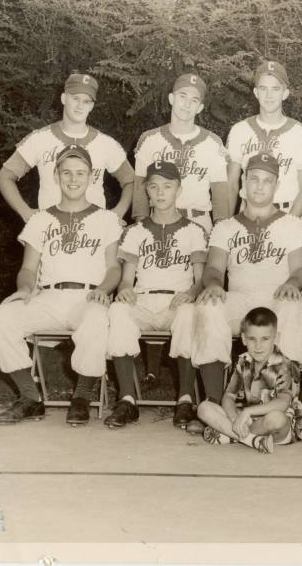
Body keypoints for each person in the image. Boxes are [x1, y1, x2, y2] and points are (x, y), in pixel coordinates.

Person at [0, 145, 122, 425]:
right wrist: (24, 289)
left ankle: (82, 397)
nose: (73, 179)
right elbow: (28, 268)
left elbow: (114, 268)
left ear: (91, 177)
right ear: (56, 176)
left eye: (80, 173)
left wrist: (104, 290)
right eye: (66, 172)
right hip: (48, 297)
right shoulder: (40, 219)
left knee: (96, 319)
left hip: (88, 296)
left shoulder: (106, 219)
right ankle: (30, 398)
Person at [190, 153, 302, 433]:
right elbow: (214, 270)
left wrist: (292, 283)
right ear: (243, 182)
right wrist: (215, 284)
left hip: (276, 297)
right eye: (253, 179)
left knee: (292, 308)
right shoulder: (226, 226)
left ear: (276, 185)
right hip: (240, 297)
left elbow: (301, 270)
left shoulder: (291, 224)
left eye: (267, 181)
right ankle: (214, 400)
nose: (259, 186)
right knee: (208, 307)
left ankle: (287, 402)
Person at [103, 161, 208, 430]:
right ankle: (127, 399)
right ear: (146, 191)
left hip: (177, 300)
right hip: (144, 299)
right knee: (117, 310)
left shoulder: (194, 230)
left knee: (188, 312)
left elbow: (201, 280)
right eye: (154, 187)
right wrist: (125, 289)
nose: (160, 193)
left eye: (167, 186)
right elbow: (127, 279)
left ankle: (185, 399)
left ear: (178, 190)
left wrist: (191, 293)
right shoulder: (135, 231)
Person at [0, 72, 134, 224]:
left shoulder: (105, 143)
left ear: (92, 106)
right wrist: (25, 211)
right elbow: (5, 176)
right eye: (75, 98)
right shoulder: (40, 138)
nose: (80, 106)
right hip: (51, 230)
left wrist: (118, 211)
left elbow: (131, 180)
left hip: (93, 232)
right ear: (63, 98)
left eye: (86, 101)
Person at [196, 307, 302, 454]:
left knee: (275, 418)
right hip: (250, 421)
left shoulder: (284, 365)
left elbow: (282, 403)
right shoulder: (244, 362)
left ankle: (228, 434)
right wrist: (235, 417)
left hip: (280, 425)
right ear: (243, 338)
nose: (258, 346)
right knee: (204, 407)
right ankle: (252, 441)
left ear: (276, 338)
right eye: (252, 339)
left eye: (265, 339)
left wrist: (247, 412)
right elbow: (229, 396)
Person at [131, 73, 231, 235]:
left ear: (200, 108)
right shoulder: (149, 139)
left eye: (194, 100)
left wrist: (220, 235)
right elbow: (140, 190)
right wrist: (142, 229)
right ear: (171, 98)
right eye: (182, 96)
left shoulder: (212, 142)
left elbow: (220, 197)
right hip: (158, 222)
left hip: (198, 222)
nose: (187, 104)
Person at [226, 60, 302, 216]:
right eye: (263, 88)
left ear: (284, 93)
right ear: (255, 93)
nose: (269, 95)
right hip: (249, 214)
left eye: (275, 89)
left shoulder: (300, 133)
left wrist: (289, 223)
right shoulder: (239, 130)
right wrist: (226, 223)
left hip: (288, 212)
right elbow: (231, 184)